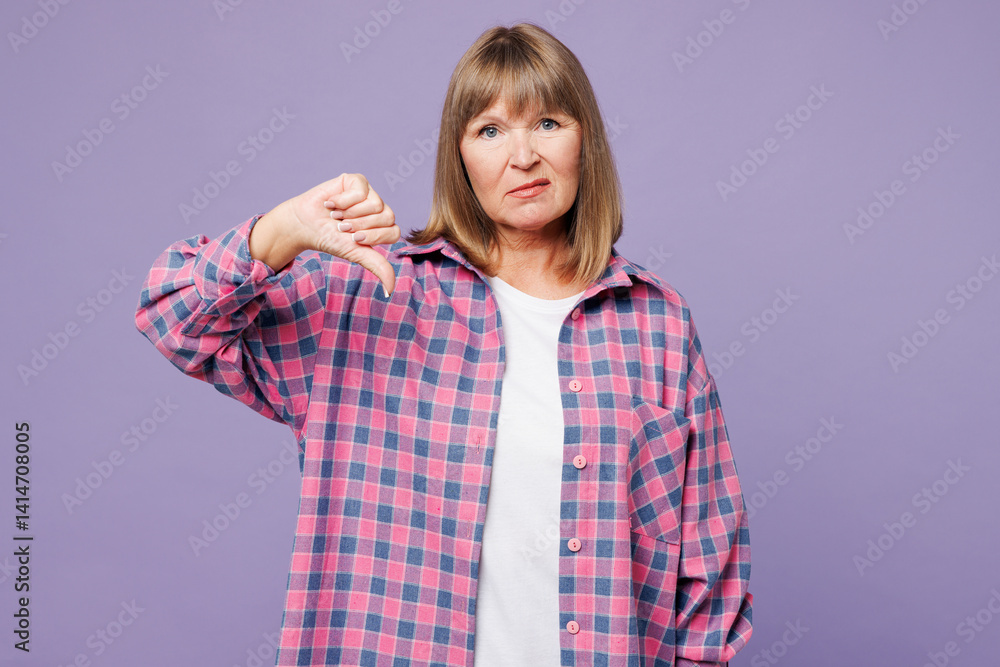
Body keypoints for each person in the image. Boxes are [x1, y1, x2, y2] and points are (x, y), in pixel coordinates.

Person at [135, 22, 752, 667]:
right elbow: (171, 315)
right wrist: (284, 228)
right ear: (459, 157)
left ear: (585, 139)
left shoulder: (656, 323)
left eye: (547, 123)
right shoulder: (370, 296)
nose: (522, 156)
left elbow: (709, 570)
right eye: (490, 130)